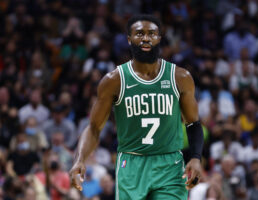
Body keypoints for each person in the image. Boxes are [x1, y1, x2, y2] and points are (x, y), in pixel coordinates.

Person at [69, 14, 204, 200]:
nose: (146, 38)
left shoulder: (179, 77)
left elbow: (193, 123)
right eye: (139, 33)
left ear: (159, 38)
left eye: (151, 33)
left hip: (169, 164)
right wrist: (80, 159)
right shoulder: (114, 80)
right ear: (129, 39)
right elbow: (94, 128)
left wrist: (196, 157)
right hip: (131, 164)